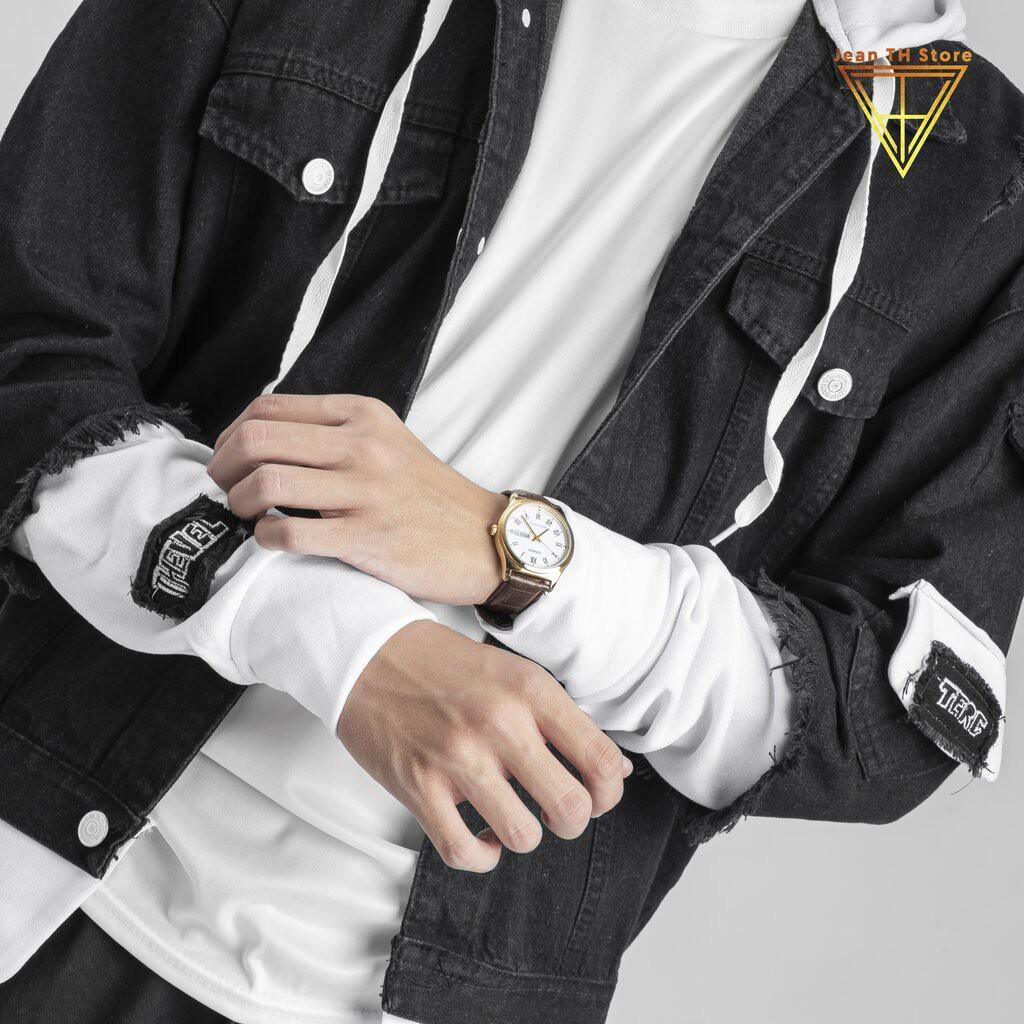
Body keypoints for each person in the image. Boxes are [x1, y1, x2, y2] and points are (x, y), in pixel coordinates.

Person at [0, 0, 1020, 1022]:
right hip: (36, 864)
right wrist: (339, 640)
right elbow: (30, 350)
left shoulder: (974, 175)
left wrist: (519, 553)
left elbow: (885, 728)